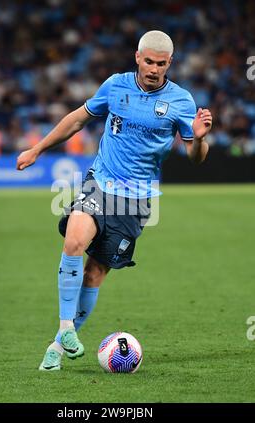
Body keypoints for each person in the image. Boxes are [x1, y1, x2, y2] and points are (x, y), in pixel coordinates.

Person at [16, 30, 212, 371]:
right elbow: (77, 119)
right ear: (138, 57)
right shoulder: (115, 85)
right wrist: (37, 149)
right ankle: (66, 329)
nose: (153, 69)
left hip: (135, 201)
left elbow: (196, 157)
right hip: (101, 182)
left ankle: (57, 348)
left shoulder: (181, 101)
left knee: (93, 275)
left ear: (170, 63)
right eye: (148, 61)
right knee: (75, 240)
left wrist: (198, 139)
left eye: (161, 64)